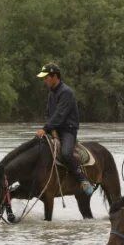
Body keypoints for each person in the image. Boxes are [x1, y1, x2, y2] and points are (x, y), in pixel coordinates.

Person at [35, 63, 96, 197]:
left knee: (66, 153)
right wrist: (52, 131)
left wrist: (45, 129)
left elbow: (60, 115)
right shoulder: (51, 93)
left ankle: (83, 180)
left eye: (46, 78)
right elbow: (49, 114)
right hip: (55, 130)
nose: (44, 81)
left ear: (54, 76)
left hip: (68, 131)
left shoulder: (66, 92)